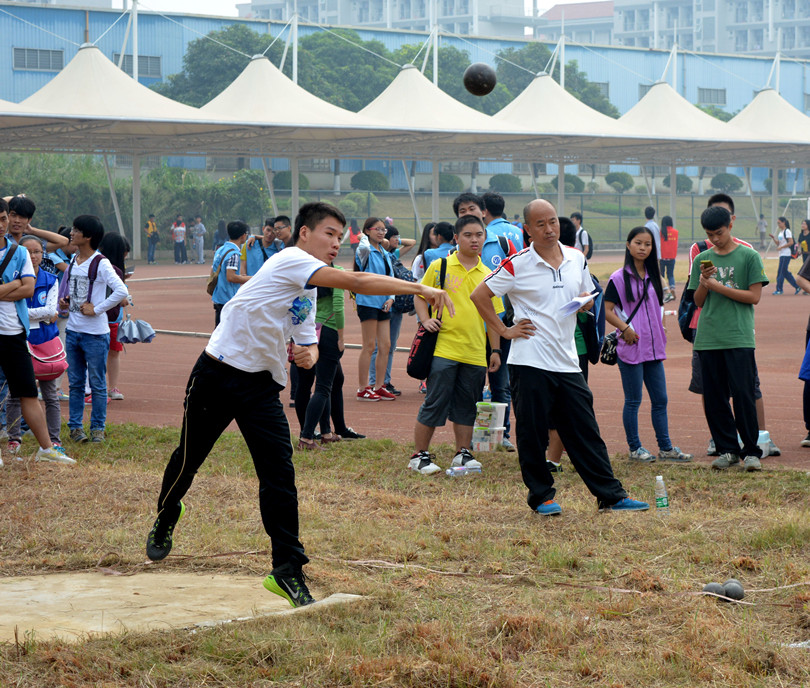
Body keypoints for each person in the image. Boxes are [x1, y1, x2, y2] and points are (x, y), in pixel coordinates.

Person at [145, 201, 453, 608]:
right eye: (329, 234)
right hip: (217, 374)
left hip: (259, 388)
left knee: (279, 476)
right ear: (303, 233)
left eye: (340, 238)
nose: (335, 244)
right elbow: (357, 281)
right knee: (189, 458)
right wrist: (418, 287)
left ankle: (287, 570)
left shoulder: (305, 287)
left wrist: (306, 351)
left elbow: (304, 334)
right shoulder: (290, 258)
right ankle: (167, 514)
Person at [471, 198, 649, 516]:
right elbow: (480, 295)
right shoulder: (517, 263)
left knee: (585, 429)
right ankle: (541, 497)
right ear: (527, 230)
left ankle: (610, 495)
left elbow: (584, 296)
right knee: (532, 432)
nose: (549, 229)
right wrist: (504, 330)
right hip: (530, 362)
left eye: (552, 221)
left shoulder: (575, 258)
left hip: (567, 361)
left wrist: (584, 302)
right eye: (540, 224)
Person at [687, 194, 779, 458]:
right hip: (708, 337)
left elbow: (754, 297)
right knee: (715, 399)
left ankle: (751, 451)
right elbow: (697, 301)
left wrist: (718, 286)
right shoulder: (701, 259)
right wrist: (705, 283)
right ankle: (727, 449)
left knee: (743, 395)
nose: (715, 238)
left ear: (731, 224)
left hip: (738, 336)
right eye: (710, 234)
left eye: (719, 232)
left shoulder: (749, 256)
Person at [409, 215, 502, 475]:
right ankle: (419, 455)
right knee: (435, 401)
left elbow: (493, 317)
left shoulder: (490, 274)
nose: (474, 240)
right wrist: (425, 320)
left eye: (479, 235)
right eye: (468, 235)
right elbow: (420, 294)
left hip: (474, 352)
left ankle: (463, 454)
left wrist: (494, 350)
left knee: (466, 405)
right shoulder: (441, 266)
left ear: (485, 237)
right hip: (444, 349)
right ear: (456, 238)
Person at [604, 226, 692, 464]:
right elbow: (607, 311)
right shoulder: (618, 278)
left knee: (660, 399)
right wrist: (625, 329)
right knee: (633, 401)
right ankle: (635, 448)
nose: (643, 248)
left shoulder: (655, 275)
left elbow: (659, 307)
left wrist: (661, 329)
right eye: (638, 243)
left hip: (653, 348)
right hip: (631, 347)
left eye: (648, 244)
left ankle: (665, 448)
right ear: (628, 245)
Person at [454, 192, 518, 452]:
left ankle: (501, 435)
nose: (468, 213)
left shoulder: (502, 242)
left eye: (472, 208)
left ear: (484, 212)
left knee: (501, 385)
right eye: (462, 211)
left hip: (500, 327)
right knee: (473, 387)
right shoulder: (452, 253)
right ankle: (475, 438)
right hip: (470, 333)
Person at [59, 215, 128, 444]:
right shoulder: (74, 259)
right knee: (76, 383)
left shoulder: (101, 262)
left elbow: (121, 291)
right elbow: (77, 290)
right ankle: (76, 428)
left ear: (87, 237)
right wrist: (68, 301)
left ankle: (97, 428)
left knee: (97, 383)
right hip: (73, 331)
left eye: (76, 230)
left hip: (95, 335)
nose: (71, 232)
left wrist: (97, 309)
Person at [5, 235, 72, 462]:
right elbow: (42, 313)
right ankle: (14, 440)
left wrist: (18, 300)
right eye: (29, 252)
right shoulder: (11, 271)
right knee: (16, 394)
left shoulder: (50, 279)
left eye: (37, 252)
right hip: (20, 338)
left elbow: (50, 310)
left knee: (47, 394)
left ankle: (52, 442)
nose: (33, 256)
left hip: (45, 343)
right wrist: (39, 313)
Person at [294, 262, 346, 450]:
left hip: (309, 331)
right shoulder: (336, 273)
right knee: (324, 387)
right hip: (329, 330)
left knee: (326, 381)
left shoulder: (307, 274)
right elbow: (338, 306)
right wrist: (341, 337)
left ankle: (326, 432)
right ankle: (306, 438)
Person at [369, 224, 416, 396]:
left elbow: (412, 243)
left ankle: (384, 381)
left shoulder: (393, 255)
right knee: (378, 346)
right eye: (392, 236)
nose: (395, 239)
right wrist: (388, 238)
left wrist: (398, 239)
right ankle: (375, 381)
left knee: (390, 346)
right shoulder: (376, 253)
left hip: (396, 305)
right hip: (382, 304)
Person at [355, 217, 395, 402]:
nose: (381, 232)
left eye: (383, 229)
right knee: (369, 346)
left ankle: (379, 386)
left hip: (383, 302)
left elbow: (391, 278)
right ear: (367, 231)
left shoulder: (385, 253)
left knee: (385, 345)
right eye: (377, 229)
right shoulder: (365, 250)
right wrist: (364, 236)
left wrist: (391, 298)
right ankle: (363, 388)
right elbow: (363, 246)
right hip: (368, 302)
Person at [97, 233, 130, 402]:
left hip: (109, 318)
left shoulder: (109, 267)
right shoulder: (108, 268)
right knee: (109, 353)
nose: (126, 256)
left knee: (109, 352)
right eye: (125, 252)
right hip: (104, 318)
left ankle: (104, 387)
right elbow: (122, 299)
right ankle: (107, 387)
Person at [211, 221, 250, 326]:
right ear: (243, 236)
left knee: (219, 331)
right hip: (227, 298)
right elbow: (231, 277)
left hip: (218, 296)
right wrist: (252, 278)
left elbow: (213, 271)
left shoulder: (221, 250)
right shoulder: (234, 254)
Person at [771, 216, 800, 295]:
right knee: (784, 271)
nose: (778, 224)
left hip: (786, 254)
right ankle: (797, 286)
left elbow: (791, 242)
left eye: (779, 223)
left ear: (784, 222)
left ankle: (779, 289)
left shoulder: (787, 231)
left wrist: (781, 247)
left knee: (781, 272)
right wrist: (774, 239)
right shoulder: (781, 232)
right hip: (782, 254)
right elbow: (779, 243)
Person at [659, 215, 678, 303]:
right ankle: (672, 287)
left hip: (662, 257)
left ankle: (663, 291)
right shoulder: (675, 232)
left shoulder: (660, 233)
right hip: (671, 257)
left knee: (661, 275)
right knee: (670, 274)